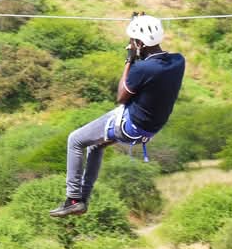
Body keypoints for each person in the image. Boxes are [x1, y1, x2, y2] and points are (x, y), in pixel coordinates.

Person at [50, 14, 185, 218]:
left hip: (129, 125)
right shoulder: (178, 60)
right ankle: (81, 200)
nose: (130, 44)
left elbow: (121, 97)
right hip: (150, 130)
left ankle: (73, 198)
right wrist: (137, 25)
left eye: (132, 41)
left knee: (75, 140)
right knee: (96, 146)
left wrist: (129, 61)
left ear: (139, 43)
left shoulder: (142, 68)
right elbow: (152, 64)